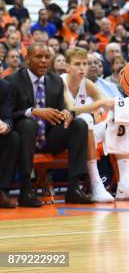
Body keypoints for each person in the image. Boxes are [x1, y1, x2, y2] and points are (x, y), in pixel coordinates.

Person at [7, 42, 91, 206]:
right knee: (28, 124)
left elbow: (61, 110)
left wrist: (67, 113)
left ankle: (74, 189)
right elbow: (7, 115)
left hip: (49, 137)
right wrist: (33, 111)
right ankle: (26, 191)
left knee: (79, 125)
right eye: (39, 56)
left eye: (47, 57)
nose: (44, 60)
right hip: (23, 140)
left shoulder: (56, 81)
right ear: (27, 59)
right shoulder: (13, 81)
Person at [62, 47, 129, 202]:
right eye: (77, 64)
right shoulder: (61, 82)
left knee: (119, 119)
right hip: (67, 134)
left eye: (85, 64)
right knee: (86, 120)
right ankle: (96, 185)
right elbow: (71, 110)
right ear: (67, 67)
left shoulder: (86, 83)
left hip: (86, 133)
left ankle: (125, 184)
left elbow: (106, 104)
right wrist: (98, 105)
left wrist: (114, 106)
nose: (82, 68)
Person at [0, 78, 19, 208]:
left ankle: (2, 191)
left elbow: (7, 114)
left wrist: (6, 125)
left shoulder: (4, 86)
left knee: (13, 137)